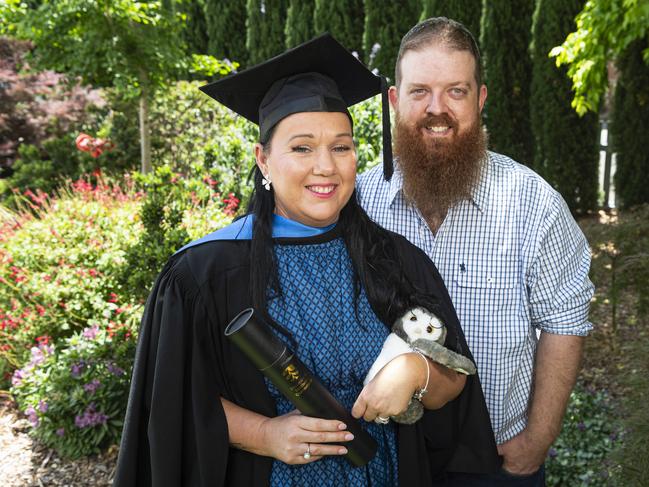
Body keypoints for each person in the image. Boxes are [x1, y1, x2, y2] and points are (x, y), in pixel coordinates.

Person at [113, 34, 500, 487]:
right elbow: (171, 402)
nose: (326, 167)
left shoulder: (394, 260)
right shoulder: (203, 273)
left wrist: (415, 370)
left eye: (341, 147)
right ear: (263, 160)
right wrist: (262, 433)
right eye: (301, 148)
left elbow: (455, 390)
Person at [357, 18, 595, 486]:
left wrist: (538, 440)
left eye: (456, 91)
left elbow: (564, 323)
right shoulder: (360, 203)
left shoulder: (532, 204)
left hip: (495, 461)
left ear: (480, 98)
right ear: (394, 100)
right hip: (383, 459)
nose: (436, 109)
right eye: (420, 90)